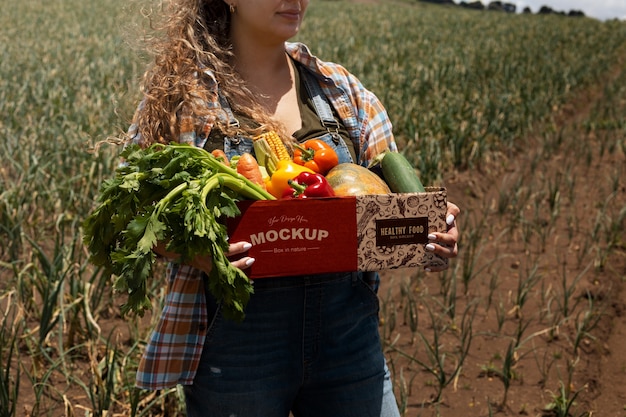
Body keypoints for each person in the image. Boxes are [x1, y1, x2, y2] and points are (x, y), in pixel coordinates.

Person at [126, 0, 460, 416]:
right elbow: (135, 216)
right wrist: (200, 254)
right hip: (240, 347)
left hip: (348, 341)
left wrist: (433, 231)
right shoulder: (185, 99)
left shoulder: (340, 90)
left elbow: (396, 205)